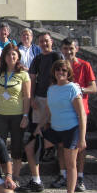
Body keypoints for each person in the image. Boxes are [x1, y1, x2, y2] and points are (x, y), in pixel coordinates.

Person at [36, 60, 87, 193]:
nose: (61, 73)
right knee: (32, 146)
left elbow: (82, 114)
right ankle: (35, 180)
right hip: (55, 128)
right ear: (54, 72)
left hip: (71, 130)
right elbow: (49, 111)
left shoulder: (72, 88)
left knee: (70, 163)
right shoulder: (51, 89)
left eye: (64, 70)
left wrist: (82, 138)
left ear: (68, 72)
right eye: (58, 70)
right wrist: (40, 126)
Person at [54, 38, 97, 191]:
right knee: (60, 145)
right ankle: (63, 174)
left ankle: (79, 177)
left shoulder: (85, 65)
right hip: (62, 112)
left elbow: (93, 87)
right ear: (62, 50)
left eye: (71, 48)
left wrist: (80, 90)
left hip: (80, 112)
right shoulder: (60, 67)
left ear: (76, 49)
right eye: (65, 49)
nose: (68, 51)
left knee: (80, 147)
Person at [0, 44, 31, 185]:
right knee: (0, 146)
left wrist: (25, 116)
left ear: (18, 56)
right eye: (8, 55)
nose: (11, 57)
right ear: (4, 57)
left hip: (17, 115)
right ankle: (3, 175)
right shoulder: (0, 73)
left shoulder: (23, 74)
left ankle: (15, 177)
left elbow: (27, 97)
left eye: (13, 54)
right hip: (0, 114)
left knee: (17, 147)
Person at [28, 32, 64, 167]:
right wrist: (32, 98)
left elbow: (61, 75)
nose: (44, 43)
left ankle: (50, 149)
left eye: (46, 41)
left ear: (51, 41)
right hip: (40, 95)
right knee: (40, 123)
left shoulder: (57, 56)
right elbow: (32, 79)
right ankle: (43, 149)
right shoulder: (37, 59)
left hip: (54, 95)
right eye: (41, 41)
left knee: (51, 123)